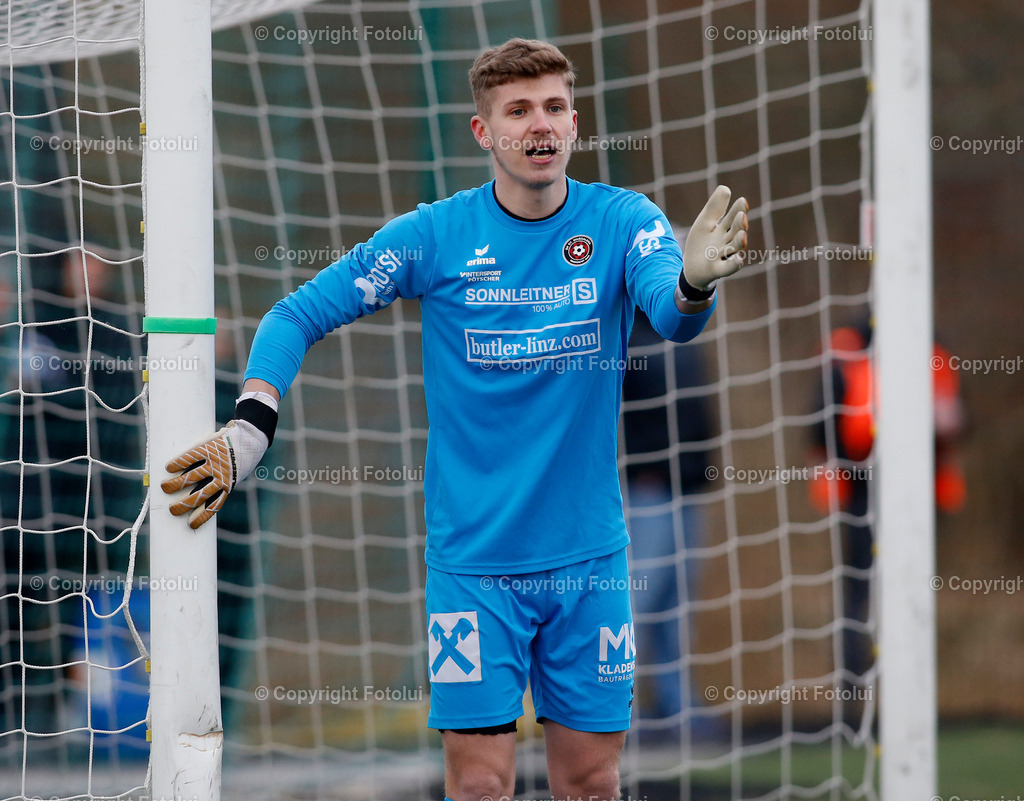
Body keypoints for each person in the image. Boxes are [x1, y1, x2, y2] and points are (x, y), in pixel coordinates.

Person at [160, 39, 748, 801]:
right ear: (484, 132)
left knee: (595, 782)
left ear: (574, 123)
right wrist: (248, 429)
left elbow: (672, 314)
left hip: (589, 564)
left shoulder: (621, 220)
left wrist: (696, 284)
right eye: (518, 110)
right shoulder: (434, 235)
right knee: (477, 784)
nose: (540, 125)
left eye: (554, 107)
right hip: (474, 569)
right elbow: (295, 313)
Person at [622, 312, 715, 742]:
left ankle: (678, 707)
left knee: (677, 605)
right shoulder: (627, 342)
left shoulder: (686, 339)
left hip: (690, 488)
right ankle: (617, 704)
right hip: (651, 492)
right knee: (639, 600)